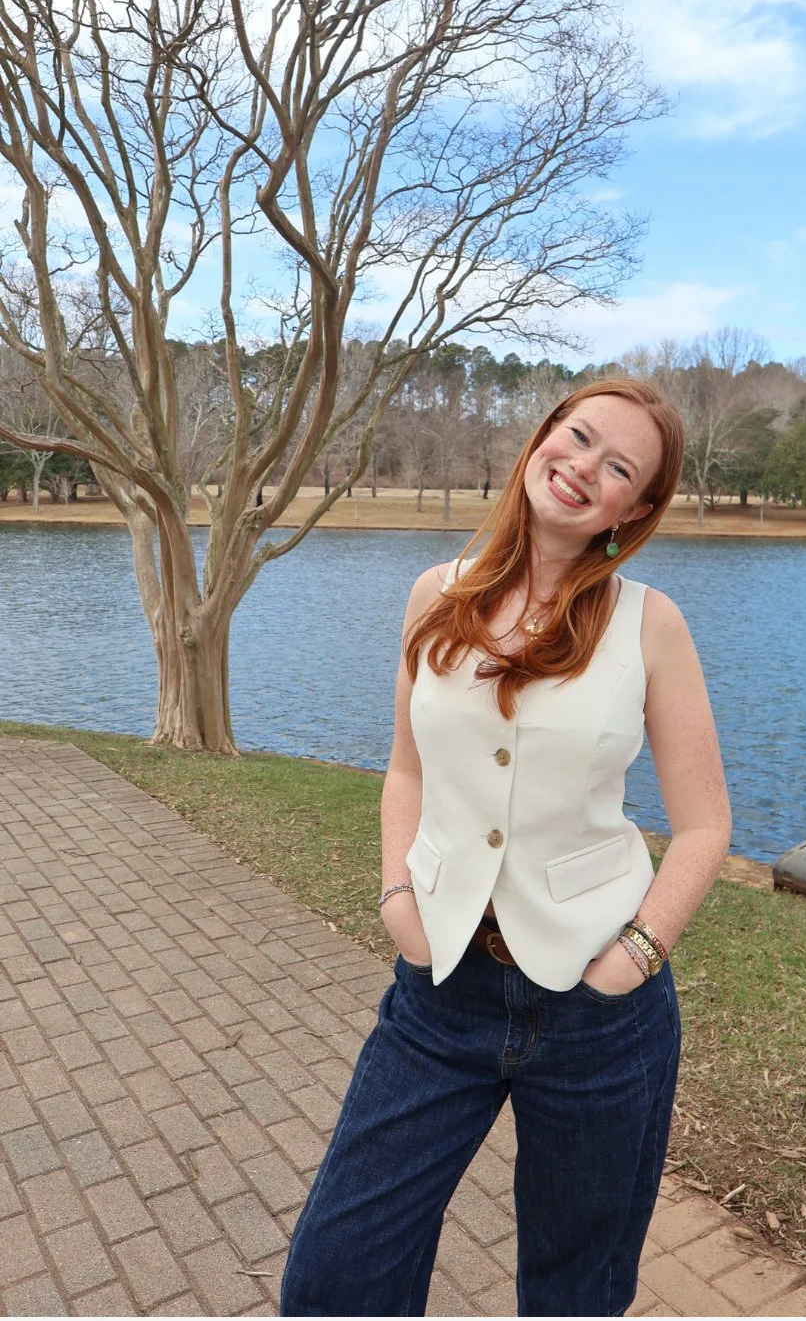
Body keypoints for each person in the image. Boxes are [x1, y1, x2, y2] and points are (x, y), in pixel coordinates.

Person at [280, 377, 732, 1318]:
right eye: (576, 438)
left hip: (598, 1019)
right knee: (337, 1275)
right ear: (537, 443)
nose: (582, 469)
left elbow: (704, 826)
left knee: (574, 1294)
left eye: (619, 468)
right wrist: (396, 899)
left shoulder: (651, 623)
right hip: (441, 991)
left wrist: (634, 959)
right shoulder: (435, 595)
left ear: (634, 509)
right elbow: (405, 772)